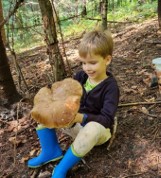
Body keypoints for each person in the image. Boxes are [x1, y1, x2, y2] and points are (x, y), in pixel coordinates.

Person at [27, 29, 119, 178]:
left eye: (93, 63)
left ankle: (61, 169)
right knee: (44, 112)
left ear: (107, 60)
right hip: (76, 126)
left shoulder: (110, 87)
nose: (87, 68)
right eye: (83, 63)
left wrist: (81, 118)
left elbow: (107, 120)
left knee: (92, 129)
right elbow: (67, 96)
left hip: (97, 133)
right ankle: (51, 151)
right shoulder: (81, 76)